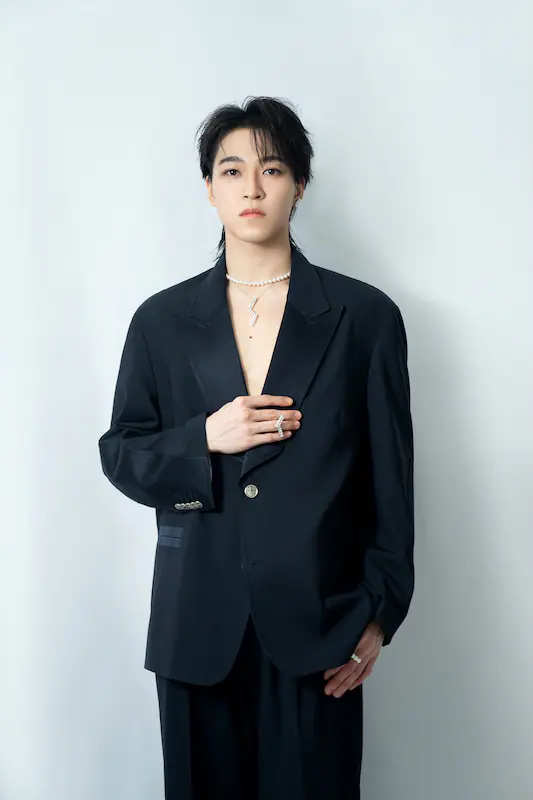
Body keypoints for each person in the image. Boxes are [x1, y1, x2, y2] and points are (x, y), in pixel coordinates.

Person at [98, 95, 415, 800]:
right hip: (195, 627)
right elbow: (121, 453)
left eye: (271, 169)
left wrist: (379, 613)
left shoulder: (365, 318)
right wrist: (203, 439)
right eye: (231, 170)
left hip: (320, 625)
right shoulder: (160, 321)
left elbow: (391, 480)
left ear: (299, 184)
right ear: (208, 189)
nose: (251, 187)